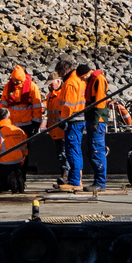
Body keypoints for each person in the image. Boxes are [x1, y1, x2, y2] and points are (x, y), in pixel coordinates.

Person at [49, 56, 86, 192]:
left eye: (59, 73)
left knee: (72, 151)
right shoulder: (80, 80)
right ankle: (76, 178)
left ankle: (75, 181)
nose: (59, 76)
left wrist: (63, 120)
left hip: (73, 121)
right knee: (76, 150)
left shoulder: (70, 83)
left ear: (63, 71)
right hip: (80, 119)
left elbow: (68, 106)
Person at [0, 109, 29, 193]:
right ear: (9, 117)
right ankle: (16, 180)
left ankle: (7, 182)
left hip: (2, 167)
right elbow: (25, 152)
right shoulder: (20, 131)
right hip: (17, 166)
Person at [78, 62, 108, 191]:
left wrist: (95, 121)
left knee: (97, 151)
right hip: (91, 120)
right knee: (92, 151)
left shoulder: (99, 79)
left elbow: (100, 102)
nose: (82, 80)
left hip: (98, 121)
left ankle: (100, 182)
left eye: (83, 77)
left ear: (87, 74)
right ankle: (98, 180)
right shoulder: (92, 80)